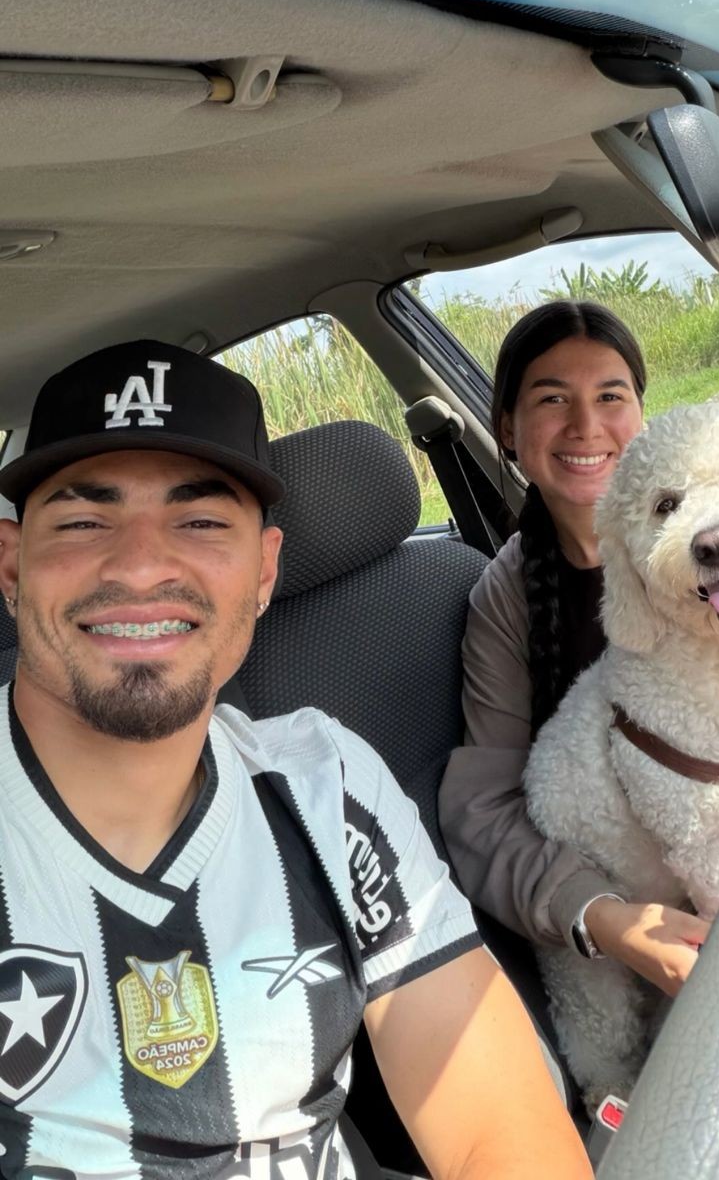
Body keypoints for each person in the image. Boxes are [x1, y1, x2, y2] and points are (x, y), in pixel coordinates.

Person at [0, 339, 592, 1180]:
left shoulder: (325, 782)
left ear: (265, 572)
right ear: (13, 565)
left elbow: (495, 1129)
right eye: (85, 520)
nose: (138, 564)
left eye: (200, 520)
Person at [438, 300, 719, 997]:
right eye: (552, 399)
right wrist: (601, 916)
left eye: (609, 396)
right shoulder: (504, 599)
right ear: (507, 428)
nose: (585, 425)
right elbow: (485, 812)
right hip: (660, 896)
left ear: (640, 414)